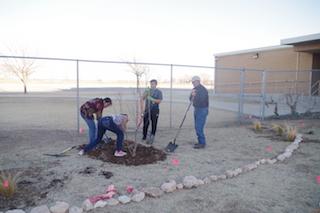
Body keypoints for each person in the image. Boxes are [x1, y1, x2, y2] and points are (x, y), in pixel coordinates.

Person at [142, 79, 163, 144]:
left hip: (155, 110)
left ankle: (152, 136)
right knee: (145, 123)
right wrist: (146, 93)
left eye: (153, 84)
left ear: (156, 84)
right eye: (151, 84)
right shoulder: (148, 90)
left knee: (154, 123)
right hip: (147, 110)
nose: (152, 85)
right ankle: (144, 136)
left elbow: (159, 101)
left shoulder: (159, 92)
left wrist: (152, 99)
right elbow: (143, 98)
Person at [190, 76, 209, 149]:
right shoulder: (194, 89)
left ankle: (202, 143)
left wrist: (195, 95)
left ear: (198, 81)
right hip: (196, 109)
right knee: (197, 126)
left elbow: (202, 100)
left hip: (202, 110)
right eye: (192, 82)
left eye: (194, 82)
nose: (193, 83)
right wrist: (192, 95)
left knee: (199, 127)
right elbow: (190, 99)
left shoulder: (203, 90)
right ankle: (200, 141)